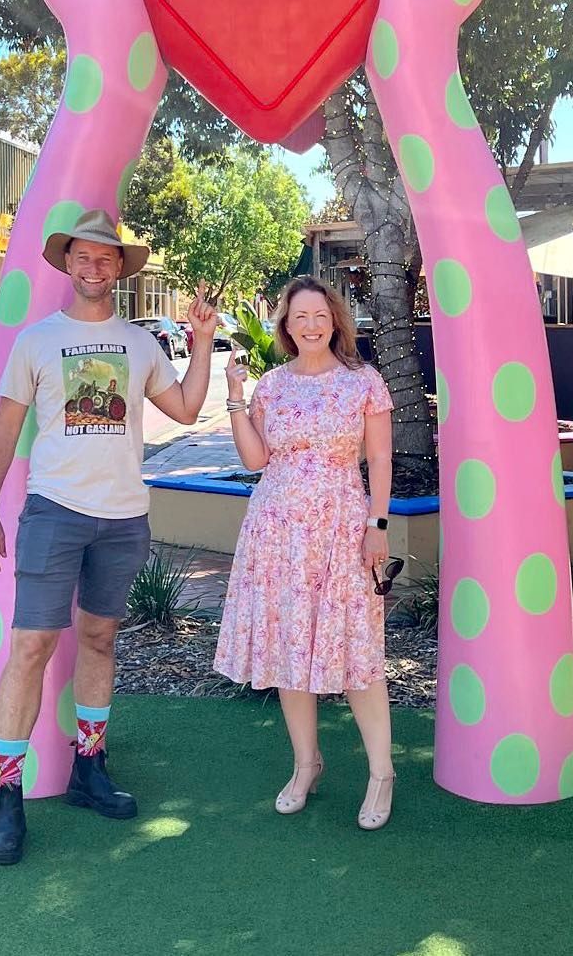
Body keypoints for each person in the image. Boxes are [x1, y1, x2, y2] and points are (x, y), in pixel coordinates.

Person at [0, 208, 218, 865]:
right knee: (30, 647)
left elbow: (186, 409)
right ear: (67, 263)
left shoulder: (138, 343)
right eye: (82, 256)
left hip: (122, 517)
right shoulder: (36, 341)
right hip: (54, 512)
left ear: (118, 269)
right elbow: (4, 428)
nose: (93, 266)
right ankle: (7, 796)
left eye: (104, 257)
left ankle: (89, 767)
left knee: (100, 638)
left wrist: (201, 343)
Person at [213, 276, 398, 830]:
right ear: (286, 326)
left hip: (341, 530)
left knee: (358, 651)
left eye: (319, 315)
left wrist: (377, 525)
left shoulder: (363, 382)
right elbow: (254, 460)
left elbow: (380, 460)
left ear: (334, 320)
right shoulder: (272, 386)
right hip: (276, 533)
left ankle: (382, 774)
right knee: (289, 649)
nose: (311, 325)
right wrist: (235, 397)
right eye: (300, 317)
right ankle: (305, 765)